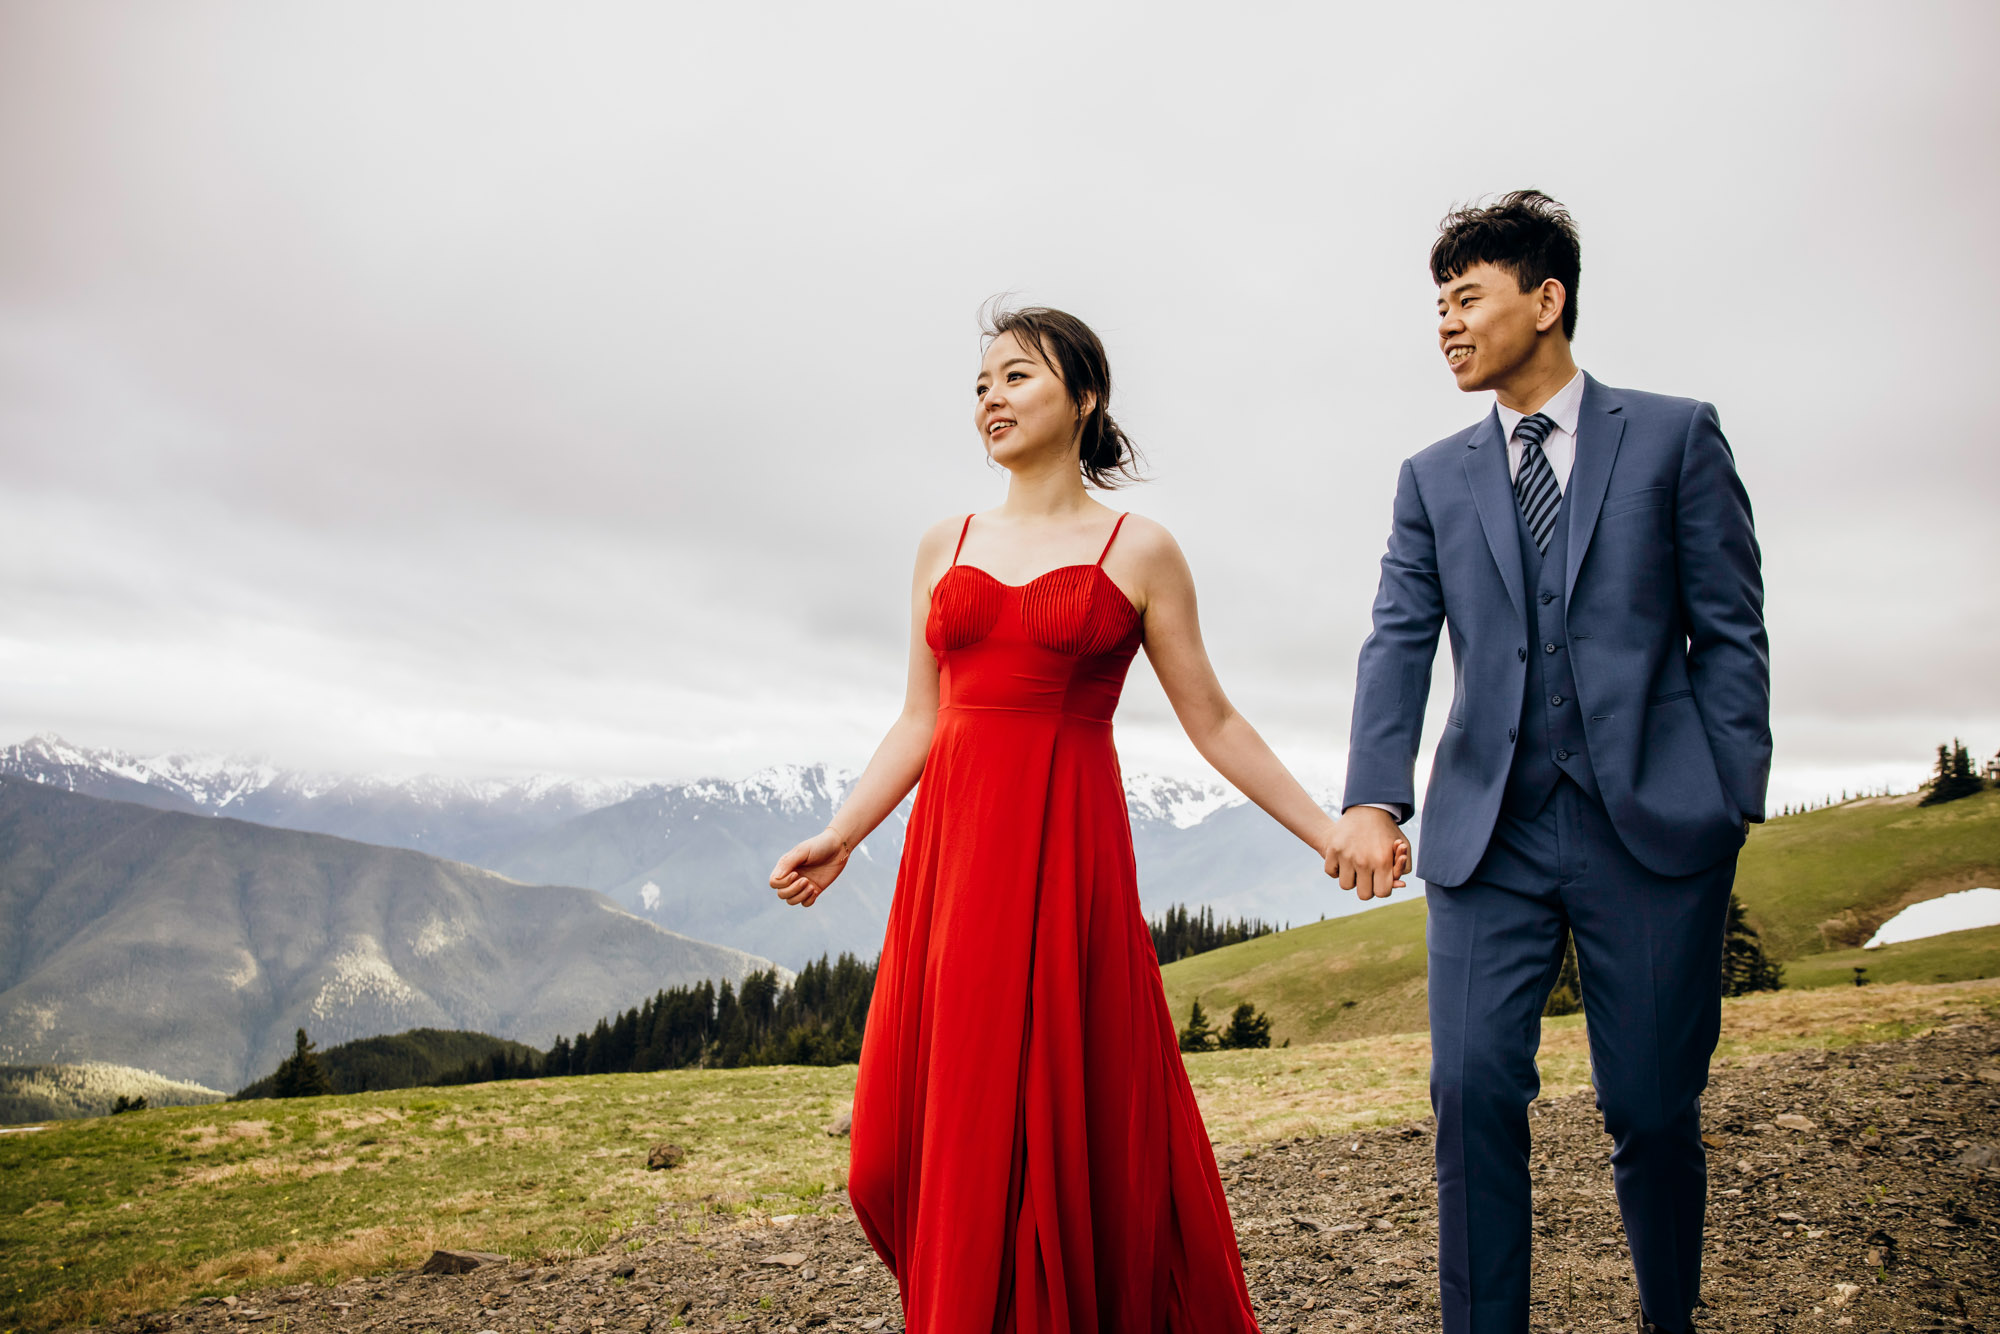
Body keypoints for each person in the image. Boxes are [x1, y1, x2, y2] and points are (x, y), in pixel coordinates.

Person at [769, 306, 1405, 1332]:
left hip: (1065, 860)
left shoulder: (1138, 547)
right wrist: (844, 832)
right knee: (886, 1154)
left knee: (1066, 1141)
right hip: (951, 865)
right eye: (979, 383)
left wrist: (1325, 828)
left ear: (1083, 396)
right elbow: (921, 716)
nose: (989, 398)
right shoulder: (946, 542)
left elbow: (1214, 718)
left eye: (1014, 376)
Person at [1323, 191, 1770, 1334]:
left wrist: (1727, 789)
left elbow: (1728, 625)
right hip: (1491, 830)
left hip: (1656, 827)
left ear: (1545, 298)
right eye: (1436, 305)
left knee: (1654, 1108)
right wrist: (1374, 795)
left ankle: (1670, 1316)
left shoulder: (1674, 434)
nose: (1445, 324)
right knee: (1468, 1090)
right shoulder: (1430, 476)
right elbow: (1397, 638)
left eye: (1465, 297)